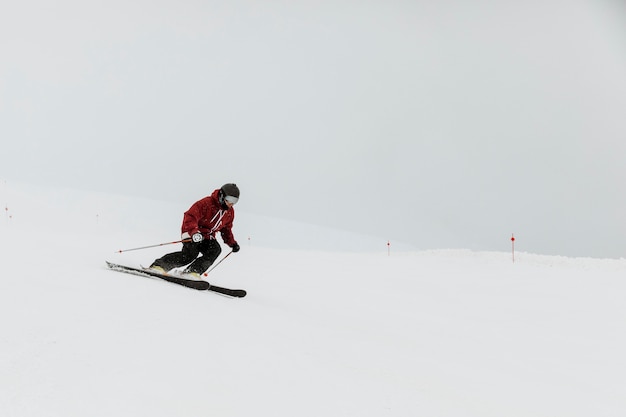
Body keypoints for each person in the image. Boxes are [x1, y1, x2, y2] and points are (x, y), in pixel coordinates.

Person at [149, 183, 241, 278]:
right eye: (229, 200)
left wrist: (232, 243)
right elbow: (190, 216)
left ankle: (192, 272)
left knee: (215, 250)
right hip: (191, 232)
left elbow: (226, 229)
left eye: (235, 201)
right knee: (190, 255)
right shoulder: (206, 203)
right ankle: (159, 266)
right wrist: (194, 232)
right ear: (222, 196)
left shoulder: (229, 212)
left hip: (207, 237)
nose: (231, 203)